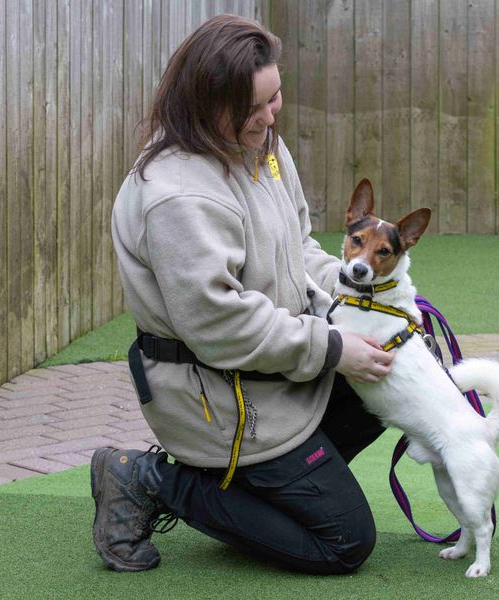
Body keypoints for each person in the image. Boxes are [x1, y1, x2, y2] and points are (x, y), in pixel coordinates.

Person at [92, 14, 394, 575]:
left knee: (390, 379)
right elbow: (220, 324)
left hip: (272, 368)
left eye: (274, 97)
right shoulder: (178, 194)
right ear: (206, 103)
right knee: (344, 542)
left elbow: (298, 248)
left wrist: (363, 298)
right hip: (222, 397)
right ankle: (154, 479)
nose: (269, 117)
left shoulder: (263, 147)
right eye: (252, 109)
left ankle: (258, 492)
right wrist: (330, 346)